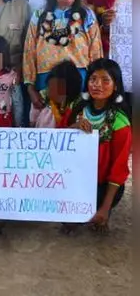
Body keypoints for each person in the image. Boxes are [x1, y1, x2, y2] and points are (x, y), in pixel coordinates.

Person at [23, 0, 103, 116]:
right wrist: (30, 87)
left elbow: (96, 51)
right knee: (48, 122)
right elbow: (29, 51)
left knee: (77, 121)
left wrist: (95, 82)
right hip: (46, 79)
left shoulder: (86, 15)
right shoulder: (39, 15)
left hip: (80, 77)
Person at [68, 59, 131, 234]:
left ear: (116, 85)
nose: (97, 85)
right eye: (93, 79)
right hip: (75, 180)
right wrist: (73, 128)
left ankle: (104, 208)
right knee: (68, 225)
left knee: (97, 225)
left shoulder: (119, 121)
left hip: (102, 185)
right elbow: (59, 141)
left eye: (105, 80)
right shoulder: (77, 108)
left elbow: (119, 168)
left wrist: (105, 207)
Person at [28, 60, 82, 129]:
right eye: (51, 87)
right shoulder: (42, 98)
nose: (52, 92)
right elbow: (32, 122)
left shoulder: (77, 104)